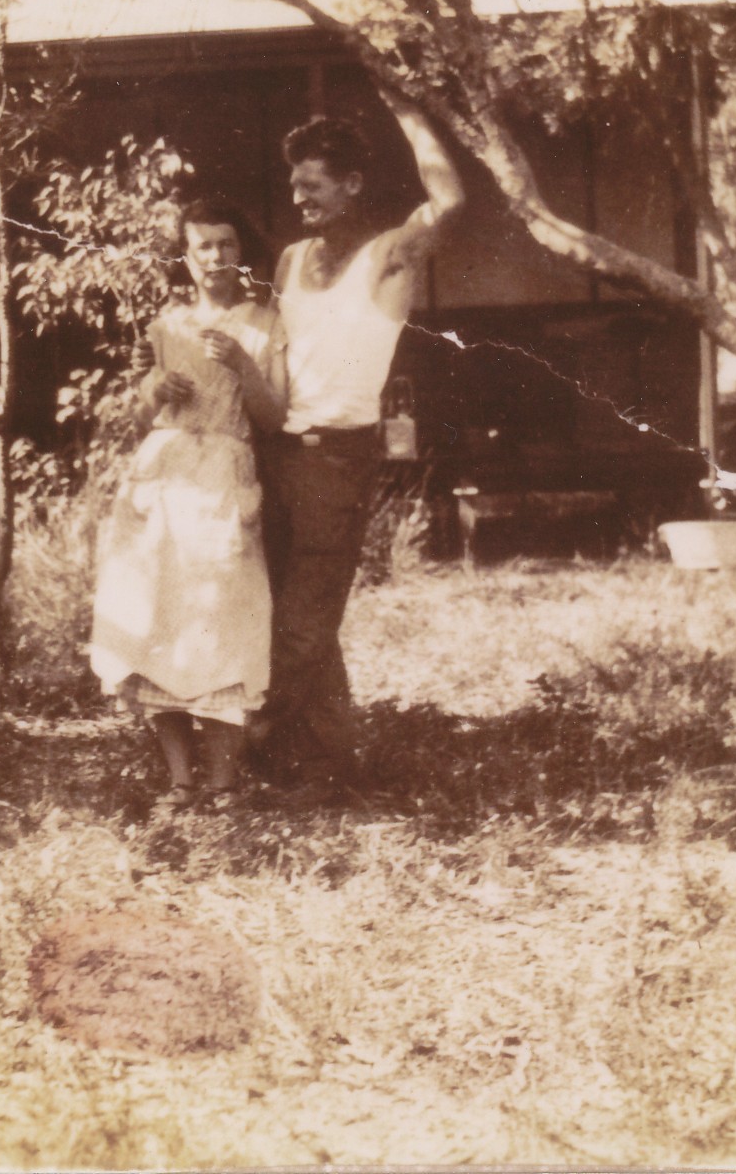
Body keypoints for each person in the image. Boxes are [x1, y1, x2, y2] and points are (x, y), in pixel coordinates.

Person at [213, 98, 465, 802]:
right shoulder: (292, 261)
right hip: (279, 453)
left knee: (300, 625)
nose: (299, 198)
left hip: (338, 462)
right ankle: (325, 768)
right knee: (298, 622)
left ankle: (241, 744)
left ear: (352, 183)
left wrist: (409, 104)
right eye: (293, 186)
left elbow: (448, 200)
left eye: (313, 185)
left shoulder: (390, 257)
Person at [89, 199, 289, 810]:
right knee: (157, 619)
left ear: (240, 252)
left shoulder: (264, 320)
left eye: (226, 244)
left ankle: (224, 781)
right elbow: (140, 414)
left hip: (225, 477)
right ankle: (179, 779)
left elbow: (275, 418)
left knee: (226, 619)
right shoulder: (166, 325)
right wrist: (153, 389)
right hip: (163, 479)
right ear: (187, 253)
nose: (215, 257)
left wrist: (245, 366)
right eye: (202, 245)